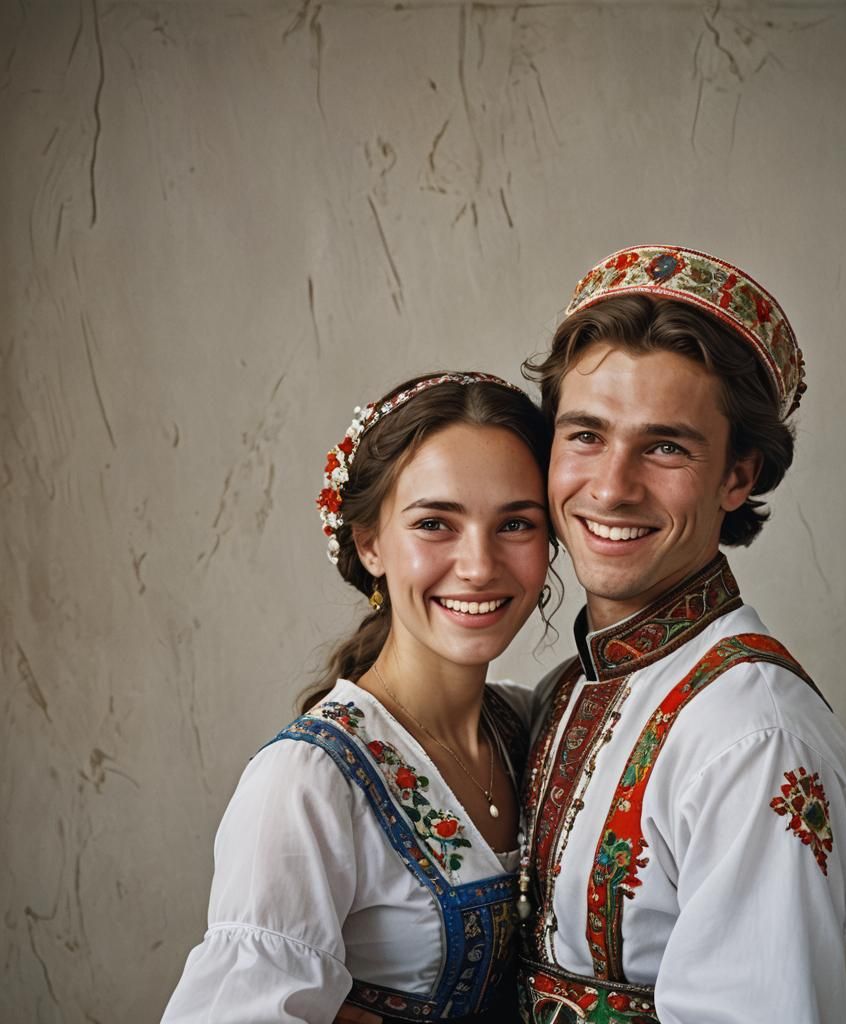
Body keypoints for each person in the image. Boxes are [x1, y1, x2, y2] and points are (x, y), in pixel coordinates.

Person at [515, 246, 846, 1023]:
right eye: (585, 435)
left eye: (665, 445)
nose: (611, 485)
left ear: (738, 476)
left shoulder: (756, 737)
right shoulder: (568, 689)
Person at [162, 371, 555, 1023]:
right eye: (435, 523)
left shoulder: (526, 725)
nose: (480, 565)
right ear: (370, 542)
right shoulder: (308, 782)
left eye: (516, 522)